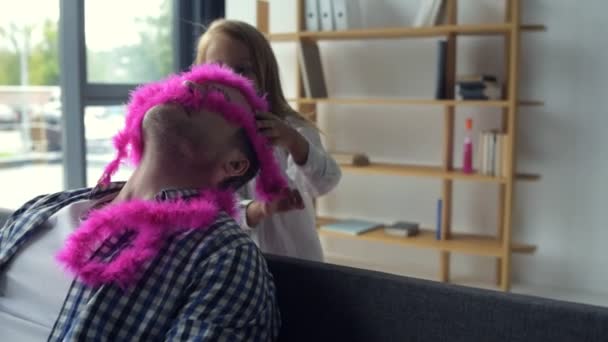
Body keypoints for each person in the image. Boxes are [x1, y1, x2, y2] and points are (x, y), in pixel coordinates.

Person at [0, 64, 283, 341]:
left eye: (219, 98)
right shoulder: (47, 205)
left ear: (233, 164)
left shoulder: (223, 255)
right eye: (190, 79)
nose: (191, 86)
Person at [195, 19, 342, 262]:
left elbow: (325, 183)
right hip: (241, 267)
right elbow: (210, 209)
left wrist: (295, 143)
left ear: (265, 75)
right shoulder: (204, 140)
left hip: (300, 260)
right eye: (218, 70)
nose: (231, 80)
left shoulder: (292, 128)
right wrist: (258, 210)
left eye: (242, 70)